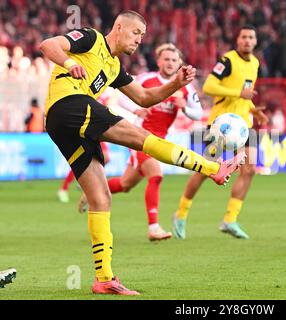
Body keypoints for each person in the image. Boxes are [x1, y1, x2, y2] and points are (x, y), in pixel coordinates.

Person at [40, 10, 245, 295]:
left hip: (61, 123)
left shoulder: (114, 67)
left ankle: (104, 278)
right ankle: (212, 168)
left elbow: (145, 97)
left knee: (101, 197)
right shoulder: (91, 38)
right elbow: (48, 44)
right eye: (136, 33)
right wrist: (69, 61)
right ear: (120, 26)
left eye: (143, 37)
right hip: (69, 103)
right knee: (142, 137)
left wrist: (175, 84)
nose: (139, 40)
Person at [80, 43, 202, 242]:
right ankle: (153, 227)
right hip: (140, 136)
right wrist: (136, 109)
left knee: (126, 184)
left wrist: (185, 108)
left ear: (179, 63)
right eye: (167, 59)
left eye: (174, 60)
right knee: (156, 175)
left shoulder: (185, 86)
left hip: (160, 140)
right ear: (159, 61)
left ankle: (91, 191)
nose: (170, 63)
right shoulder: (147, 79)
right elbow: (120, 98)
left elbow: (196, 112)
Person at [172, 25, 268, 240]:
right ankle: (181, 213)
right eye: (243, 37)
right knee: (206, 170)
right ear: (237, 40)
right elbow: (208, 86)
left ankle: (230, 219)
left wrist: (253, 109)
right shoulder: (227, 61)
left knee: (249, 169)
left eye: (251, 37)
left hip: (244, 126)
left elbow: (245, 93)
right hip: (221, 126)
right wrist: (239, 94)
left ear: (255, 41)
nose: (247, 41)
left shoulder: (255, 63)